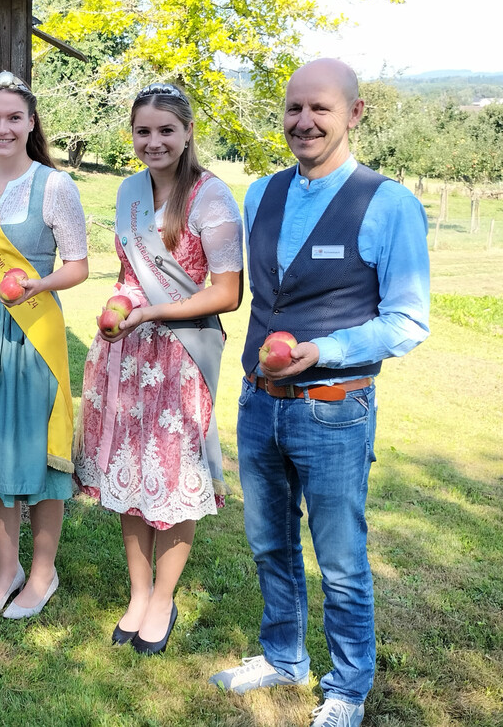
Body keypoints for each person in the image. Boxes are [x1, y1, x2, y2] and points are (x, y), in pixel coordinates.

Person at [209, 59, 430, 727]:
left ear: (354, 114)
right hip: (258, 402)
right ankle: (284, 657)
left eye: (321, 109)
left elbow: (408, 321)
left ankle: (348, 687)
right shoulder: (260, 194)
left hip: (333, 408)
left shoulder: (387, 203)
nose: (304, 121)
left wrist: (324, 349)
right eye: (294, 108)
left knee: (340, 560)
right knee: (269, 544)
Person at [74, 83, 243, 654]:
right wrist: (121, 304)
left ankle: (164, 598)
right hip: (130, 352)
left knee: (173, 477)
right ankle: (139, 593)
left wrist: (150, 312)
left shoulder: (211, 197)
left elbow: (227, 293)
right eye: (143, 131)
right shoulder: (128, 192)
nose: (154, 142)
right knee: (130, 472)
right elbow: (129, 275)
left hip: (183, 354)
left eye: (166, 130)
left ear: (188, 132)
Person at [0, 71, 89, 619]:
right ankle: (8, 571)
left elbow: (78, 266)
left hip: (31, 328)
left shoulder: (55, 186)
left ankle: (43, 573)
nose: (1, 128)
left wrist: (38, 283)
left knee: (38, 446)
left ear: (31, 123)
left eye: (13, 118)